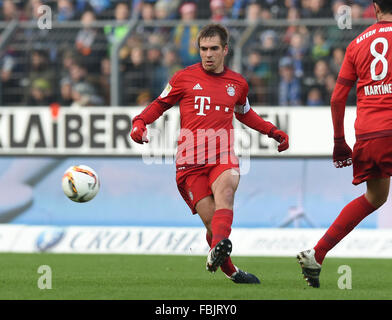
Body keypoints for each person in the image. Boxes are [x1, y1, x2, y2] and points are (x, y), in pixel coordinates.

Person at [130, 23, 289, 284]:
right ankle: (231, 270)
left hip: (221, 155)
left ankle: (217, 250)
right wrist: (139, 122)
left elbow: (244, 112)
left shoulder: (237, 83)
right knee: (213, 225)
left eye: (214, 48)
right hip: (189, 164)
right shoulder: (183, 78)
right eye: (203, 49)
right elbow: (160, 104)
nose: (208, 54)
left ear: (225, 50)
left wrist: (272, 131)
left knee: (227, 191)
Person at [297, 0, 392, 288]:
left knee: (375, 197)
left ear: (375, 8)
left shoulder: (355, 44)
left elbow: (337, 98)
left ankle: (318, 253)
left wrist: (339, 142)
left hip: (367, 134)